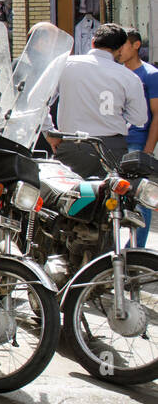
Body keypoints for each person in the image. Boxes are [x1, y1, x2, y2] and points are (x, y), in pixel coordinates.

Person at [52, 23, 147, 179]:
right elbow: (139, 118)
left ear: (92, 42)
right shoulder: (129, 77)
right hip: (111, 148)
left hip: (72, 145)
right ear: (121, 49)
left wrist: (50, 132)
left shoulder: (65, 64)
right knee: (113, 199)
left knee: (67, 197)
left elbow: (38, 102)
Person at [120, 28, 158, 245]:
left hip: (137, 141)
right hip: (115, 140)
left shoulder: (150, 75)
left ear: (136, 46)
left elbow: (156, 114)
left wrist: (148, 150)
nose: (120, 50)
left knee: (141, 197)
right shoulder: (116, 72)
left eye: (123, 45)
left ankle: (137, 248)